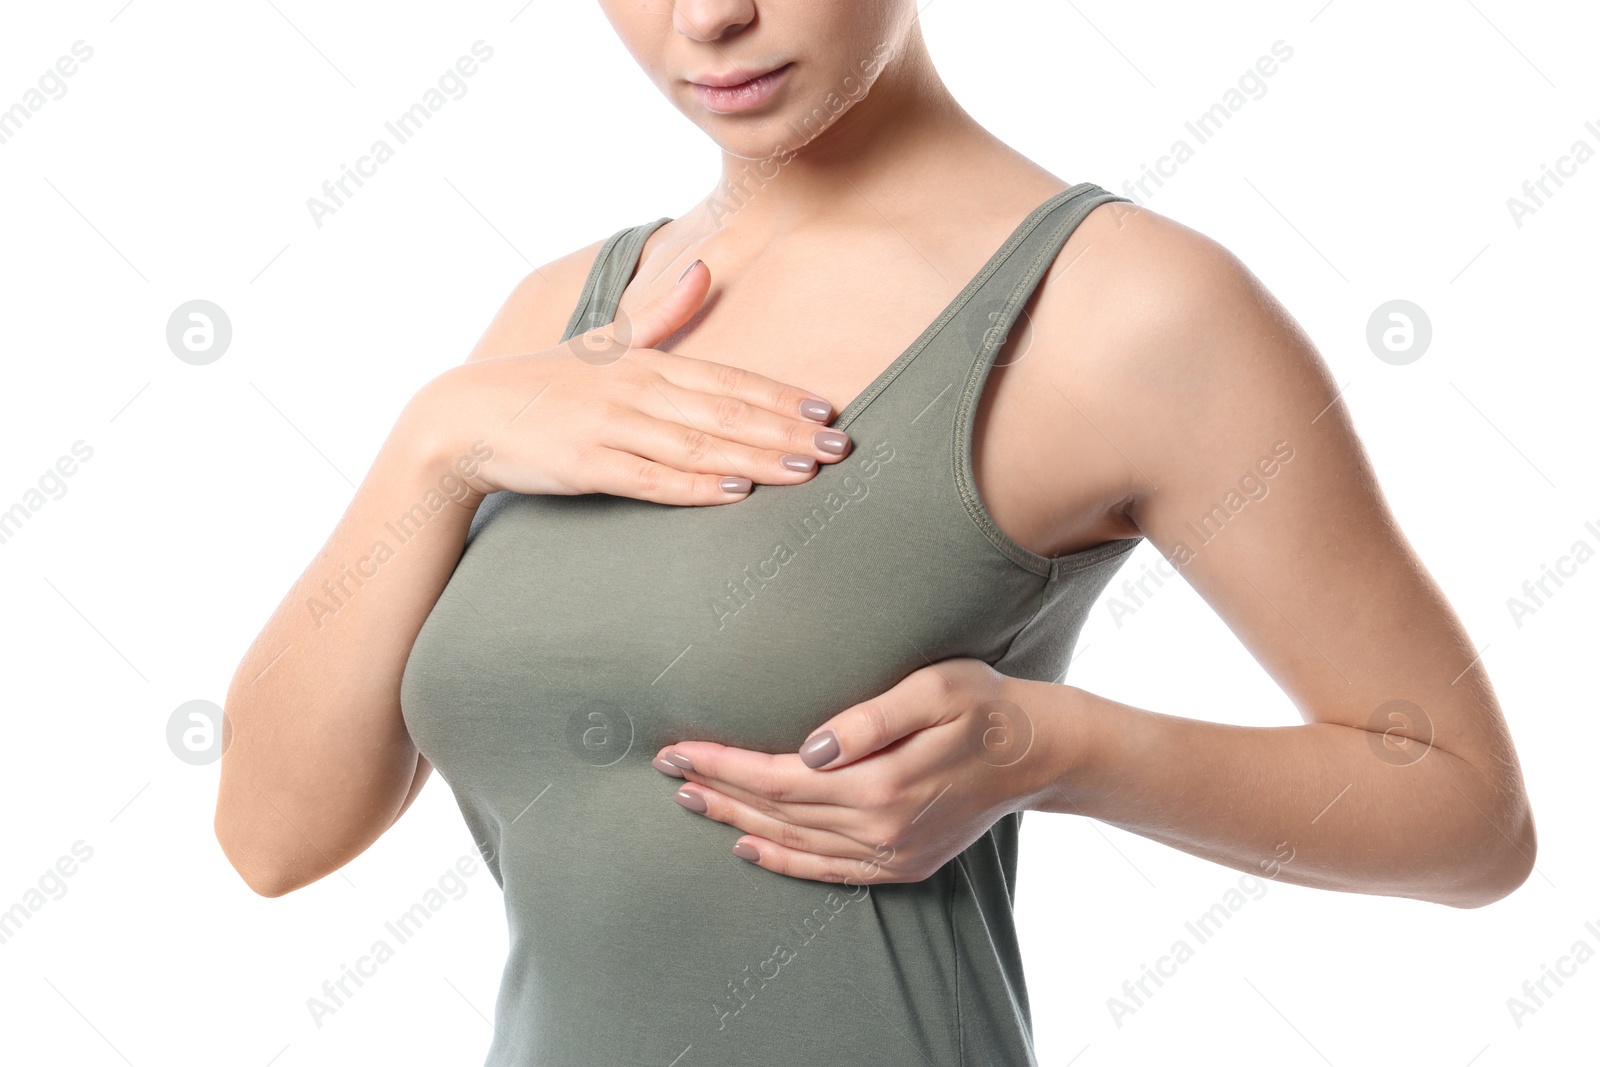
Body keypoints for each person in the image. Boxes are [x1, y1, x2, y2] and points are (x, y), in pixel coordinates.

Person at [214, 2, 1537, 1063]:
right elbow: (273, 838)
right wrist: (431, 445)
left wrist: (1051, 747)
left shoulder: (1124, 308)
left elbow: (1468, 813)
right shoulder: (555, 311)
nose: (710, 16)